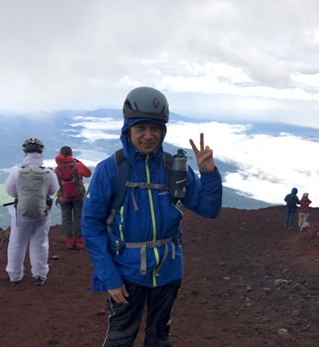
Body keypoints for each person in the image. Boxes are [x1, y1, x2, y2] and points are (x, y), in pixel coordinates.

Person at [81, 87, 222, 346]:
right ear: (128, 130)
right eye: (140, 128)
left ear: (163, 131)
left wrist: (209, 174)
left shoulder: (173, 168)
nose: (148, 136)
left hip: (168, 271)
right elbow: (91, 227)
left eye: (155, 128)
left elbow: (208, 210)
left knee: (159, 338)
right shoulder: (110, 170)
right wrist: (109, 278)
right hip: (126, 273)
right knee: (120, 339)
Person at [4, 138, 59, 286]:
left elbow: (10, 192)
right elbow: (54, 190)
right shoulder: (48, 172)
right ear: (41, 152)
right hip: (42, 212)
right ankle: (40, 275)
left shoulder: (16, 172)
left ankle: (15, 275)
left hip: (21, 213)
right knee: (40, 242)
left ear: (25, 153)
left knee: (17, 243)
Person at [54, 146, 92, 250]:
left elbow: (54, 183)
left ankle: (69, 242)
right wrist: (79, 163)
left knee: (66, 218)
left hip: (63, 198)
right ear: (71, 154)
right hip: (78, 196)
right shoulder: (77, 165)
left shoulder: (57, 169)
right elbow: (88, 173)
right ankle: (79, 242)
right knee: (78, 218)